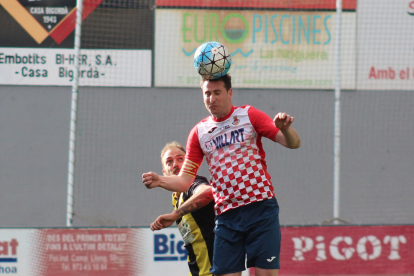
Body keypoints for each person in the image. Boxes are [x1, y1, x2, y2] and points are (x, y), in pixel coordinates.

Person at [143, 74, 300, 276]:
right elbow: (184, 181)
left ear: (230, 93)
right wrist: (159, 181)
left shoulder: (249, 115)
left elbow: (293, 143)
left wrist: (286, 130)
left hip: (260, 209)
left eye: (217, 93)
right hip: (227, 216)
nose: (212, 98)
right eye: (207, 94)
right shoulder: (199, 132)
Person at [151, 141, 216, 276]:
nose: (176, 164)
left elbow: (208, 192)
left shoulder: (193, 184)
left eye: (181, 159)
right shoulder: (176, 198)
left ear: (189, 165)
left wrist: (175, 214)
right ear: (164, 172)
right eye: (169, 162)